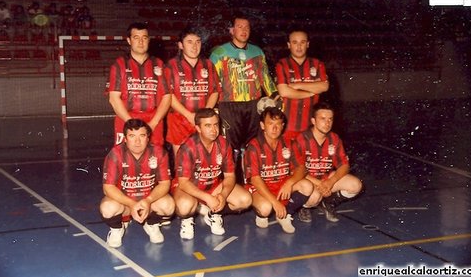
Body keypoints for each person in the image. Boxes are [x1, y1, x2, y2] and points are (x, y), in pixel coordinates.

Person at [209, 13, 279, 183]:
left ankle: (251, 182)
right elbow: (212, 82)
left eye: (246, 27)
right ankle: (231, 184)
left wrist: (275, 95)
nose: (243, 30)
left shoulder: (257, 51)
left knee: (252, 146)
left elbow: (265, 78)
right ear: (231, 30)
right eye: (239, 26)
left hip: (253, 105)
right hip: (229, 106)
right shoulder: (219, 52)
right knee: (230, 148)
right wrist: (213, 107)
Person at [173, 108, 252, 239]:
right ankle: (187, 219)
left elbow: (230, 176)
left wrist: (223, 195)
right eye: (208, 126)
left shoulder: (224, 143)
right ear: (198, 128)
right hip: (190, 189)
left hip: (213, 186)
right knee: (184, 207)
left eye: (216, 125)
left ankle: (213, 214)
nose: (213, 130)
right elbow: (183, 183)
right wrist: (207, 198)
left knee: (245, 200)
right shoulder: (188, 147)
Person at [99, 119, 175, 248]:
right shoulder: (115, 154)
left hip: (148, 202)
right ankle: (117, 228)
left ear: (148, 138)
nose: (137, 141)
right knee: (107, 208)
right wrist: (132, 204)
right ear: (125, 139)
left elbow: (165, 183)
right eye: (132, 136)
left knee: (169, 205)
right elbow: (108, 188)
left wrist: (148, 201)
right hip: (125, 203)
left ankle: (151, 223)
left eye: (142, 136)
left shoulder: (159, 153)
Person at [243, 106, 313, 234]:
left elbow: (301, 167)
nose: (275, 128)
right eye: (270, 124)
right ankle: (261, 215)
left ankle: (285, 215)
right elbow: (255, 179)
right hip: (261, 187)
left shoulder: (289, 143)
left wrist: (290, 183)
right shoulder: (254, 146)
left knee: (307, 186)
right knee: (265, 208)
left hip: (281, 185)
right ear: (262, 125)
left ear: (283, 126)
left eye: (278, 124)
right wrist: (275, 202)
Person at [293, 102, 362, 223]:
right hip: (308, 182)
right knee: (314, 197)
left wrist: (330, 182)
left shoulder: (334, 138)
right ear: (313, 121)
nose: (327, 123)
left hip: (326, 180)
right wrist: (320, 184)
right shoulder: (302, 139)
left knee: (356, 185)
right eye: (323, 119)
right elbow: (296, 170)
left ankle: (328, 202)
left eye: (330, 119)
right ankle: (303, 207)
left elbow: (344, 165)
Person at [106, 22, 171, 146]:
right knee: (126, 160)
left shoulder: (159, 64)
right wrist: (131, 123)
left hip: (154, 120)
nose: (141, 42)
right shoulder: (119, 65)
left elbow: (167, 97)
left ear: (148, 40)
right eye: (136, 38)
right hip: (126, 120)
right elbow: (114, 99)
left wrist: (153, 123)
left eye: (144, 38)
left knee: (155, 160)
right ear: (129, 41)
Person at [165, 26, 220, 157]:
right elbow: (168, 95)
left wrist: (204, 114)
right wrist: (189, 115)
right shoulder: (171, 65)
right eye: (189, 42)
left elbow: (215, 91)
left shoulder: (208, 64)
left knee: (204, 159)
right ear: (180, 45)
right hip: (179, 120)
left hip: (203, 121)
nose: (194, 46)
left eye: (198, 42)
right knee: (181, 162)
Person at [275, 29, 329, 142]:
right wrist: (311, 92)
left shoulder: (317, 64)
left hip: (311, 125)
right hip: (288, 125)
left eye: (302, 42)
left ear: (308, 44)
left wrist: (297, 85)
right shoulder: (282, 64)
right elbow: (284, 92)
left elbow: (324, 86)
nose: (299, 46)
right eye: (295, 42)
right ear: (289, 45)